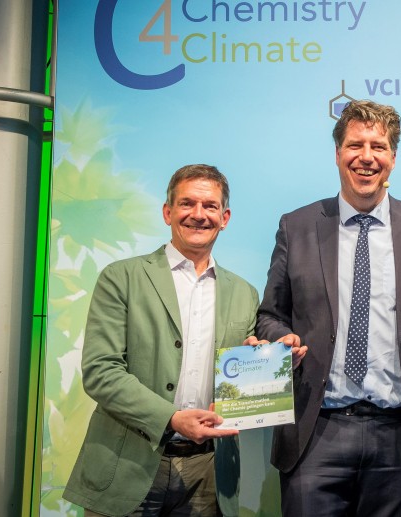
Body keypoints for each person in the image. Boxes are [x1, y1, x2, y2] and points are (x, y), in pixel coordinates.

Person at [63, 164, 303, 516]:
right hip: (128, 463)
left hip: (209, 473)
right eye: (187, 203)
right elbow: (101, 371)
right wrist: (171, 419)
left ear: (224, 218)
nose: (198, 214)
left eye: (210, 206)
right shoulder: (121, 277)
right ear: (168, 212)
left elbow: (242, 374)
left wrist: (273, 362)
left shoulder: (244, 293)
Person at [256, 99, 401, 516]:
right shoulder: (297, 226)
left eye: (378, 146)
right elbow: (269, 315)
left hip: (398, 433)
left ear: (393, 157)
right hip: (315, 430)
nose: (366, 157)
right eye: (355, 145)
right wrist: (282, 340)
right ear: (338, 153)